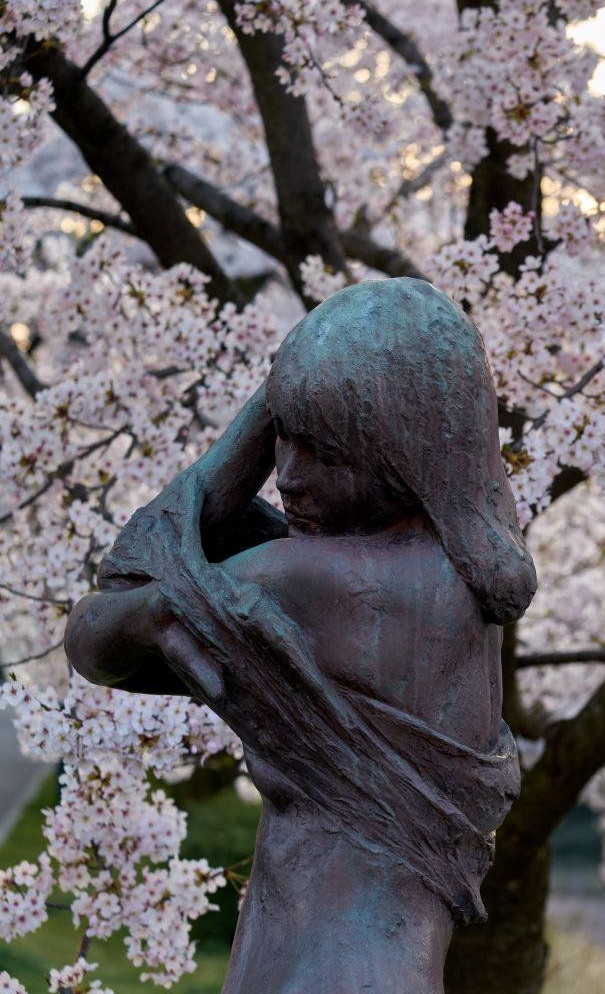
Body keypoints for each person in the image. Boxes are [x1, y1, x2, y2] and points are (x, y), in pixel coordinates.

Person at [63, 278, 537, 992]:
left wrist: (255, 416)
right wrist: (297, 392)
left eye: (326, 452)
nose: (288, 476)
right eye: (282, 438)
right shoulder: (464, 571)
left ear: (404, 457)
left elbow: (103, 616)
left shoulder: (310, 580)